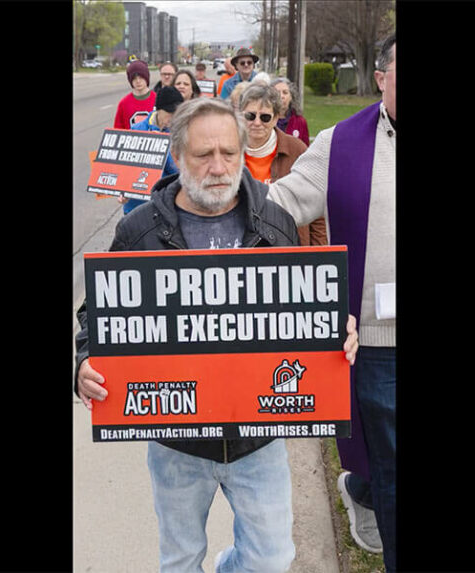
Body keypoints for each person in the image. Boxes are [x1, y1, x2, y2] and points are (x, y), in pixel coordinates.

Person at [74, 96, 361, 572]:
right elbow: (94, 317)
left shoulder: (275, 224)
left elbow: (302, 307)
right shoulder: (139, 230)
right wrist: (83, 363)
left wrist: (335, 328)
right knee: (181, 559)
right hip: (176, 442)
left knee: (272, 559)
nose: (219, 167)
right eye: (204, 155)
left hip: (258, 439)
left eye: (229, 153)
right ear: (178, 156)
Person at [266, 33, 397, 572]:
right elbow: (280, 204)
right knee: (392, 468)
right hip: (377, 343)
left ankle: (361, 491)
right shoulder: (340, 143)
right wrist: (199, 195)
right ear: (382, 78)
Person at [238, 83, 326, 246]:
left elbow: (317, 210)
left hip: (290, 246)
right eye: (250, 116)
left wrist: (318, 252)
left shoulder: (297, 149)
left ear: (277, 118)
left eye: (265, 117)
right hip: (243, 248)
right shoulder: (227, 151)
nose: (257, 123)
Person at [117, 86, 184, 215]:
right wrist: (122, 191)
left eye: (177, 113)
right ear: (158, 109)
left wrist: (163, 147)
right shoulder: (137, 129)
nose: (173, 117)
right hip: (135, 207)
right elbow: (125, 167)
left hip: (164, 205)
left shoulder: (180, 131)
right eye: (170, 112)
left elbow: (179, 171)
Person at [113, 58, 156, 130]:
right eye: (134, 78)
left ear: (147, 78)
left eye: (141, 77)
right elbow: (118, 130)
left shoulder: (158, 100)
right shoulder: (124, 104)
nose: (138, 81)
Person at [271, 77, 310, 147]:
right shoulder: (265, 119)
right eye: (277, 92)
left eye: (285, 93)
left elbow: (305, 149)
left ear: (291, 97)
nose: (281, 96)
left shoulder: (300, 121)